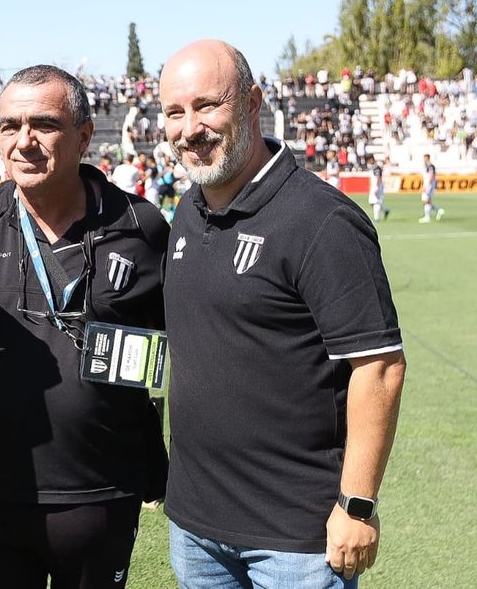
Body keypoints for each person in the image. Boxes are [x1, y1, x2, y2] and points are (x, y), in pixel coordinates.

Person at [159, 40, 406, 588]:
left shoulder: (322, 220)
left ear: (252, 102)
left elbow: (380, 367)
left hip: (296, 540)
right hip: (196, 528)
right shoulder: (187, 212)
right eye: (175, 112)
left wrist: (357, 505)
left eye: (207, 106)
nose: (190, 127)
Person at [0, 65, 168, 588]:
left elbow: (167, 354)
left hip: (102, 495)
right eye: (9, 126)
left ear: (85, 135)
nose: (24, 141)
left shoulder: (143, 227)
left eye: (43, 124)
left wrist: (156, 458)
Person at [418, 153, 445, 223]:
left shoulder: (430, 166)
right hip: (427, 185)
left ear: (428, 158)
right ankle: (438, 210)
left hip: (429, 185)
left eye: (425, 158)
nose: (424, 160)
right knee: (427, 201)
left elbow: (431, 175)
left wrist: (427, 186)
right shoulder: (426, 166)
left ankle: (427, 217)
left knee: (425, 200)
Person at [366, 155, 389, 222]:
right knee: (372, 202)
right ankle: (385, 210)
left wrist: (377, 187)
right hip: (374, 186)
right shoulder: (373, 167)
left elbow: (378, 178)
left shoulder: (376, 168)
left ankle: (376, 218)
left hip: (377, 186)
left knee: (376, 202)